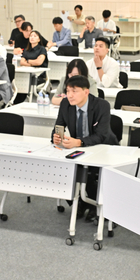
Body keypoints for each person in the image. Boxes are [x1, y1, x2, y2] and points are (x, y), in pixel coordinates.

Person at [51, 75, 119, 220]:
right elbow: (58, 126)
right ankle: (81, 202)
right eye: (68, 91)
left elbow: (101, 135)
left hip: (104, 148)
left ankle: (95, 204)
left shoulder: (102, 105)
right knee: (65, 169)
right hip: (81, 149)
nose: (69, 95)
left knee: (91, 172)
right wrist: (56, 137)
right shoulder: (65, 104)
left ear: (86, 92)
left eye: (74, 91)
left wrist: (78, 142)